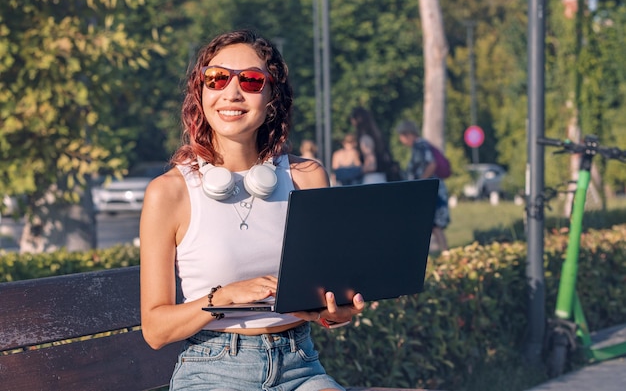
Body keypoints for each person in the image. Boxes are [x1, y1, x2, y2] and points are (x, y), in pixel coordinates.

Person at [139, 29, 365, 391]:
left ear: (272, 96)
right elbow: (154, 330)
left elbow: (327, 300)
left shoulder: (307, 178)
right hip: (212, 369)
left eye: (251, 80)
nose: (231, 92)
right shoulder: (168, 193)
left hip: (299, 365)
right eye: (216, 79)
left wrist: (336, 314)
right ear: (200, 92)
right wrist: (223, 296)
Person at [396, 119, 450, 252]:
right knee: (432, 224)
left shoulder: (420, 145)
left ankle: (445, 252)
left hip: (430, 190)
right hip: (430, 189)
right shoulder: (420, 145)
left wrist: (421, 182)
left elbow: (431, 164)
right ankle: (444, 252)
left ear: (407, 134)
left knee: (433, 223)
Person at [349, 107, 393, 184]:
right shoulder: (376, 137)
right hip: (381, 178)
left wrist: (352, 172)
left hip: (372, 180)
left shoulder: (365, 139)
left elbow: (371, 165)